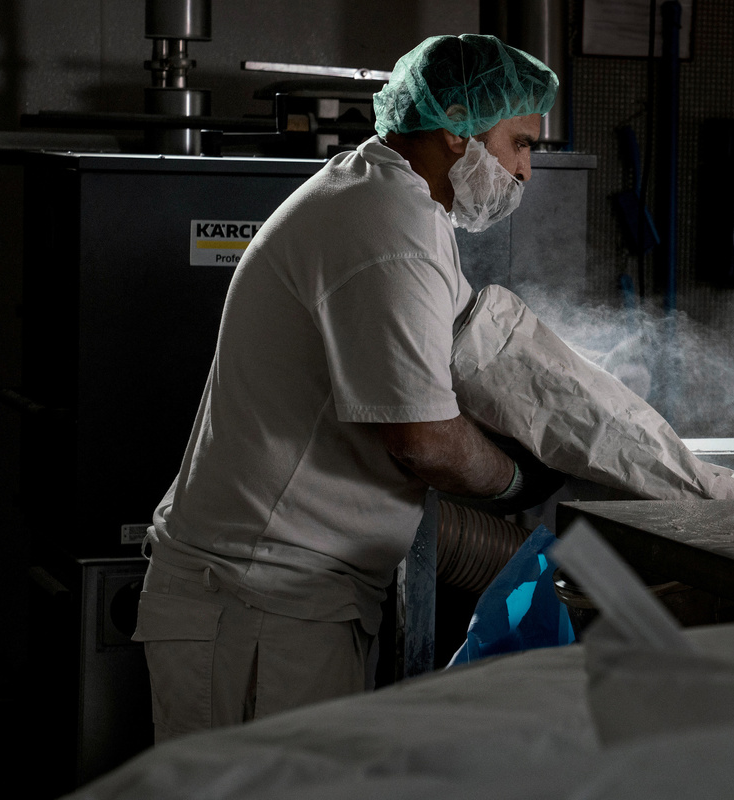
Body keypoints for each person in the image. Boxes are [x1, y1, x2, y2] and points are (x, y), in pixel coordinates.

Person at [131, 34, 558, 742]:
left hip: (284, 601)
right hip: (256, 606)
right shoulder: (389, 224)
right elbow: (423, 439)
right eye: (519, 143)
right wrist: (516, 479)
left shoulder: (389, 197)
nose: (526, 170)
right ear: (456, 127)